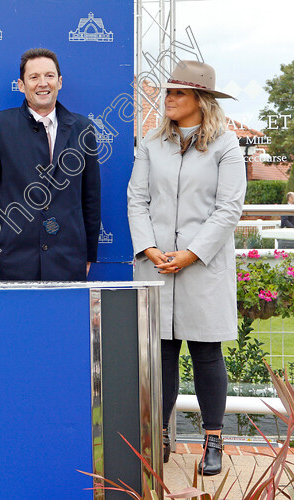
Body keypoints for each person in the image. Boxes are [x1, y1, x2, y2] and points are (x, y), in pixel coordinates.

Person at [127, 60, 245, 475]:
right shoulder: (151, 144)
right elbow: (136, 199)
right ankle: (157, 434)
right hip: (157, 265)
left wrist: (191, 254)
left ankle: (213, 439)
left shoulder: (227, 145)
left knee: (207, 352)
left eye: (178, 92)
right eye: (168, 92)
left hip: (202, 267)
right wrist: (149, 247)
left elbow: (229, 208)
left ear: (200, 99)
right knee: (160, 353)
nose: (168, 99)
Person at [0, 48, 100, 281]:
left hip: (68, 258)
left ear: (59, 82)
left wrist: (88, 253)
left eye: (49, 76)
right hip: (13, 258)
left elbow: (90, 196)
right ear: (21, 85)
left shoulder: (83, 129)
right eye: (34, 77)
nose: (43, 83)